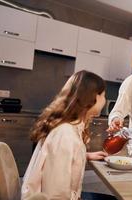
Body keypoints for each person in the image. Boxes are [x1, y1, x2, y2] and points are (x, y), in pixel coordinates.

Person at [21, 70, 116, 200]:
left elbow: (62, 160)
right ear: (92, 97)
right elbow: (56, 193)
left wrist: (86, 155)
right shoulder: (65, 134)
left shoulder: (69, 127)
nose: (104, 100)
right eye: (104, 95)